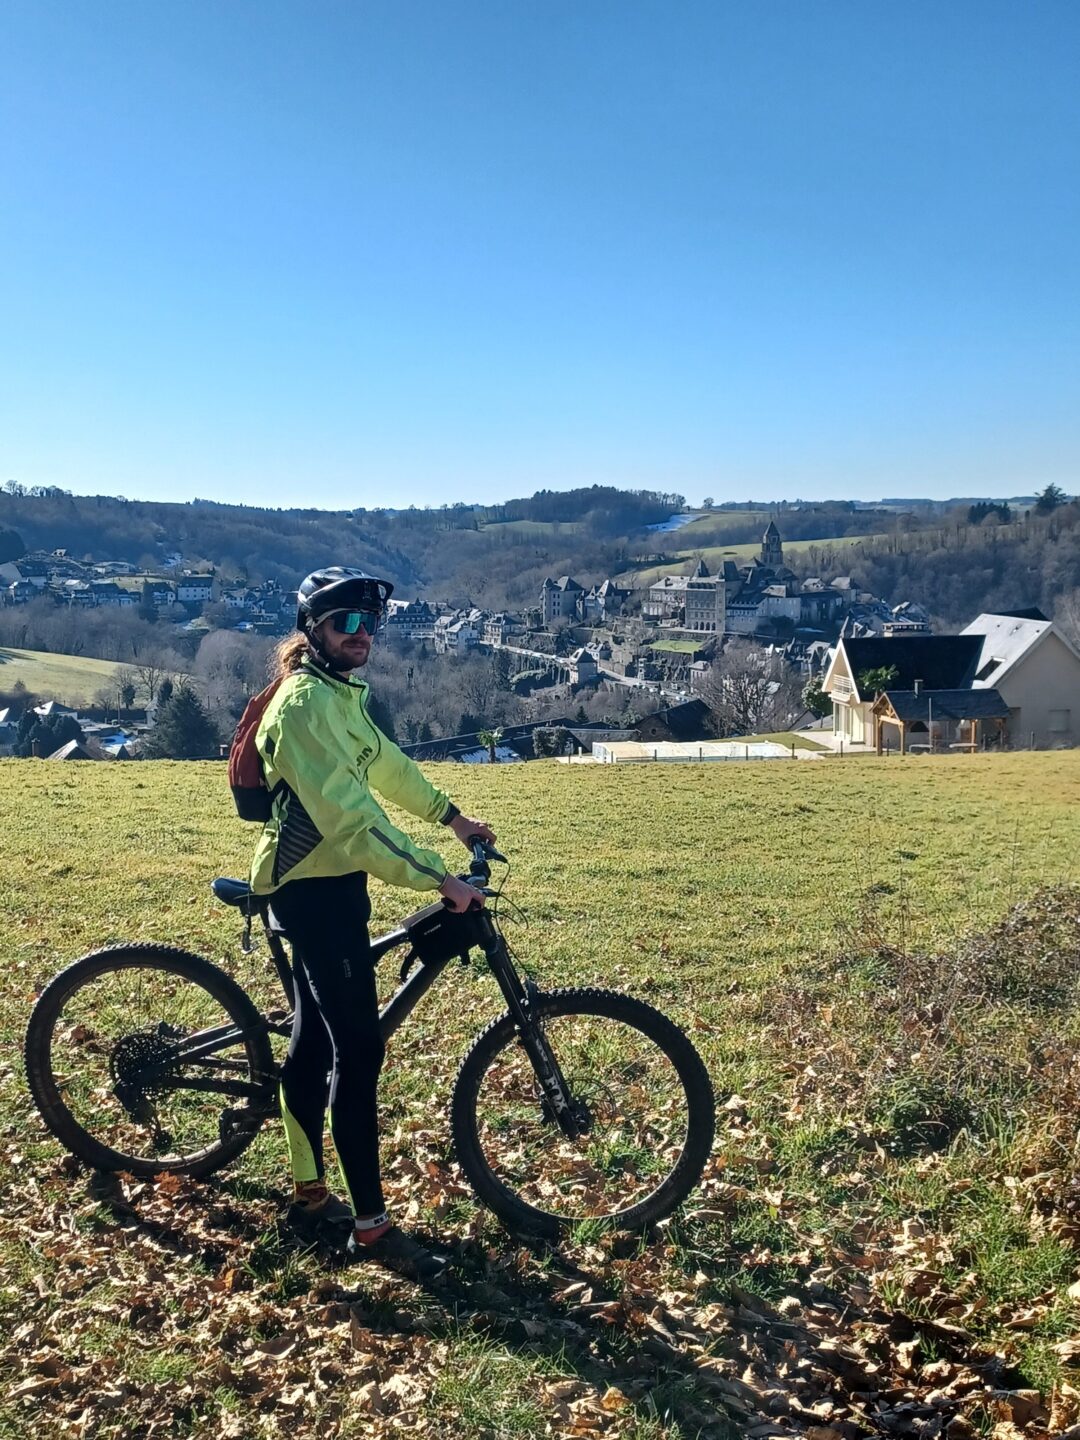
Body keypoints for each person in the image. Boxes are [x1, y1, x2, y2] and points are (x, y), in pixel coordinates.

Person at [249, 566, 495, 1276]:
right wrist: (436, 877)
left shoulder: (340, 695)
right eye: (344, 624)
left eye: (369, 624)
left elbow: (385, 767)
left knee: (315, 1043)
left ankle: (306, 1188)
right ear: (313, 631)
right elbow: (354, 823)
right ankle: (371, 1228)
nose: (361, 636)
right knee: (357, 1053)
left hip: (337, 885)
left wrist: (453, 817)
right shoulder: (300, 709)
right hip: (309, 891)